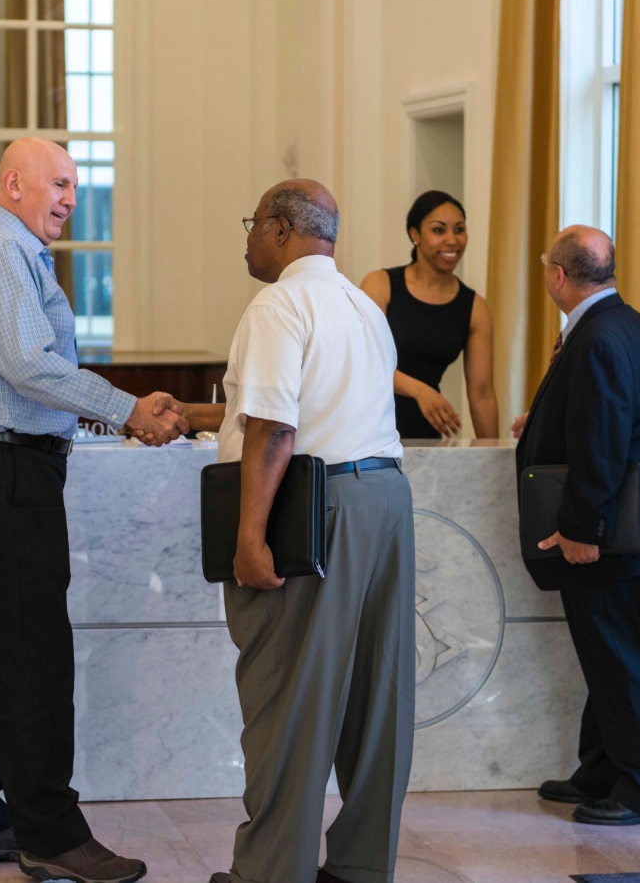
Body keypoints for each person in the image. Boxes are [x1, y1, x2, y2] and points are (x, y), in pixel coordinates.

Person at [0, 137, 185, 883]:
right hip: (2, 472)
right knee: (34, 659)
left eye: (75, 185)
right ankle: (48, 834)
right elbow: (29, 365)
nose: (71, 197)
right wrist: (126, 408)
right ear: (13, 184)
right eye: (60, 183)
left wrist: (125, 410)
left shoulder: (10, 253)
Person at [201, 180, 415, 883]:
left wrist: (250, 537)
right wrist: (209, 416)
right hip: (383, 502)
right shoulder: (362, 305)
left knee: (287, 696)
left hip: (314, 510)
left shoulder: (278, 303)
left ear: (283, 227)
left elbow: (275, 428)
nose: (246, 239)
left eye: (252, 224)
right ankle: (358, 866)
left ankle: (271, 872)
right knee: (374, 698)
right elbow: (314, 404)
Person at [513, 226, 640, 826]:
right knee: (610, 658)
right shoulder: (626, 324)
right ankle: (603, 771)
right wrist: (540, 420)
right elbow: (605, 415)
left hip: (624, 537)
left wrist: (581, 529)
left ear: (558, 276)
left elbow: (604, 444)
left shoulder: (597, 338)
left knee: (628, 661)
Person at [361, 190, 498, 438]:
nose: (452, 240)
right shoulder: (380, 284)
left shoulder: (475, 307)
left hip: (426, 431)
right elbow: (363, 363)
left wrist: (494, 465)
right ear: (415, 235)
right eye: (438, 230)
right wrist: (420, 391)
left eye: (459, 230)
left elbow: (482, 394)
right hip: (369, 429)